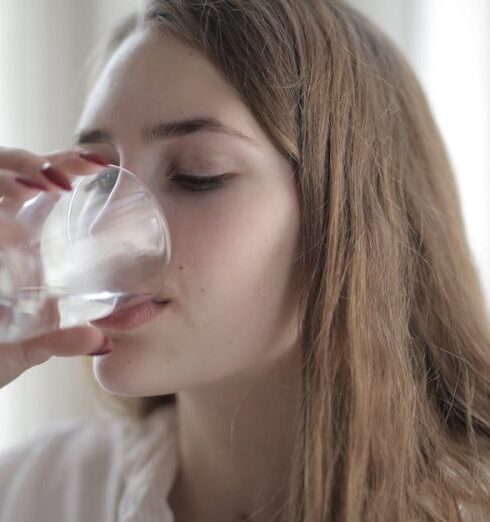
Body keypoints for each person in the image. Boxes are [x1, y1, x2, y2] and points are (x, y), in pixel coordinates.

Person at [1, 1, 490, 521]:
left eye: (198, 174)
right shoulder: (38, 493)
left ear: (350, 216)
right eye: (100, 179)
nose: (106, 228)